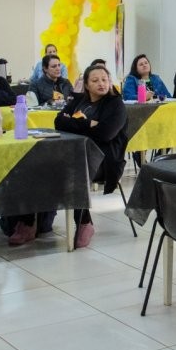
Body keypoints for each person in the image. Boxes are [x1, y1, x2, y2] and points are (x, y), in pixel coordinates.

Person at [54, 64, 128, 248]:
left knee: (73, 170)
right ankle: (33, 221)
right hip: (76, 155)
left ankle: (84, 222)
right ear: (86, 85)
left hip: (105, 160)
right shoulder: (80, 100)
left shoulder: (116, 104)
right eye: (95, 80)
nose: (101, 84)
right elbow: (59, 121)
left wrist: (76, 122)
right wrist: (89, 124)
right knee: (45, 165)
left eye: (104, 79)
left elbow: (106, 134)